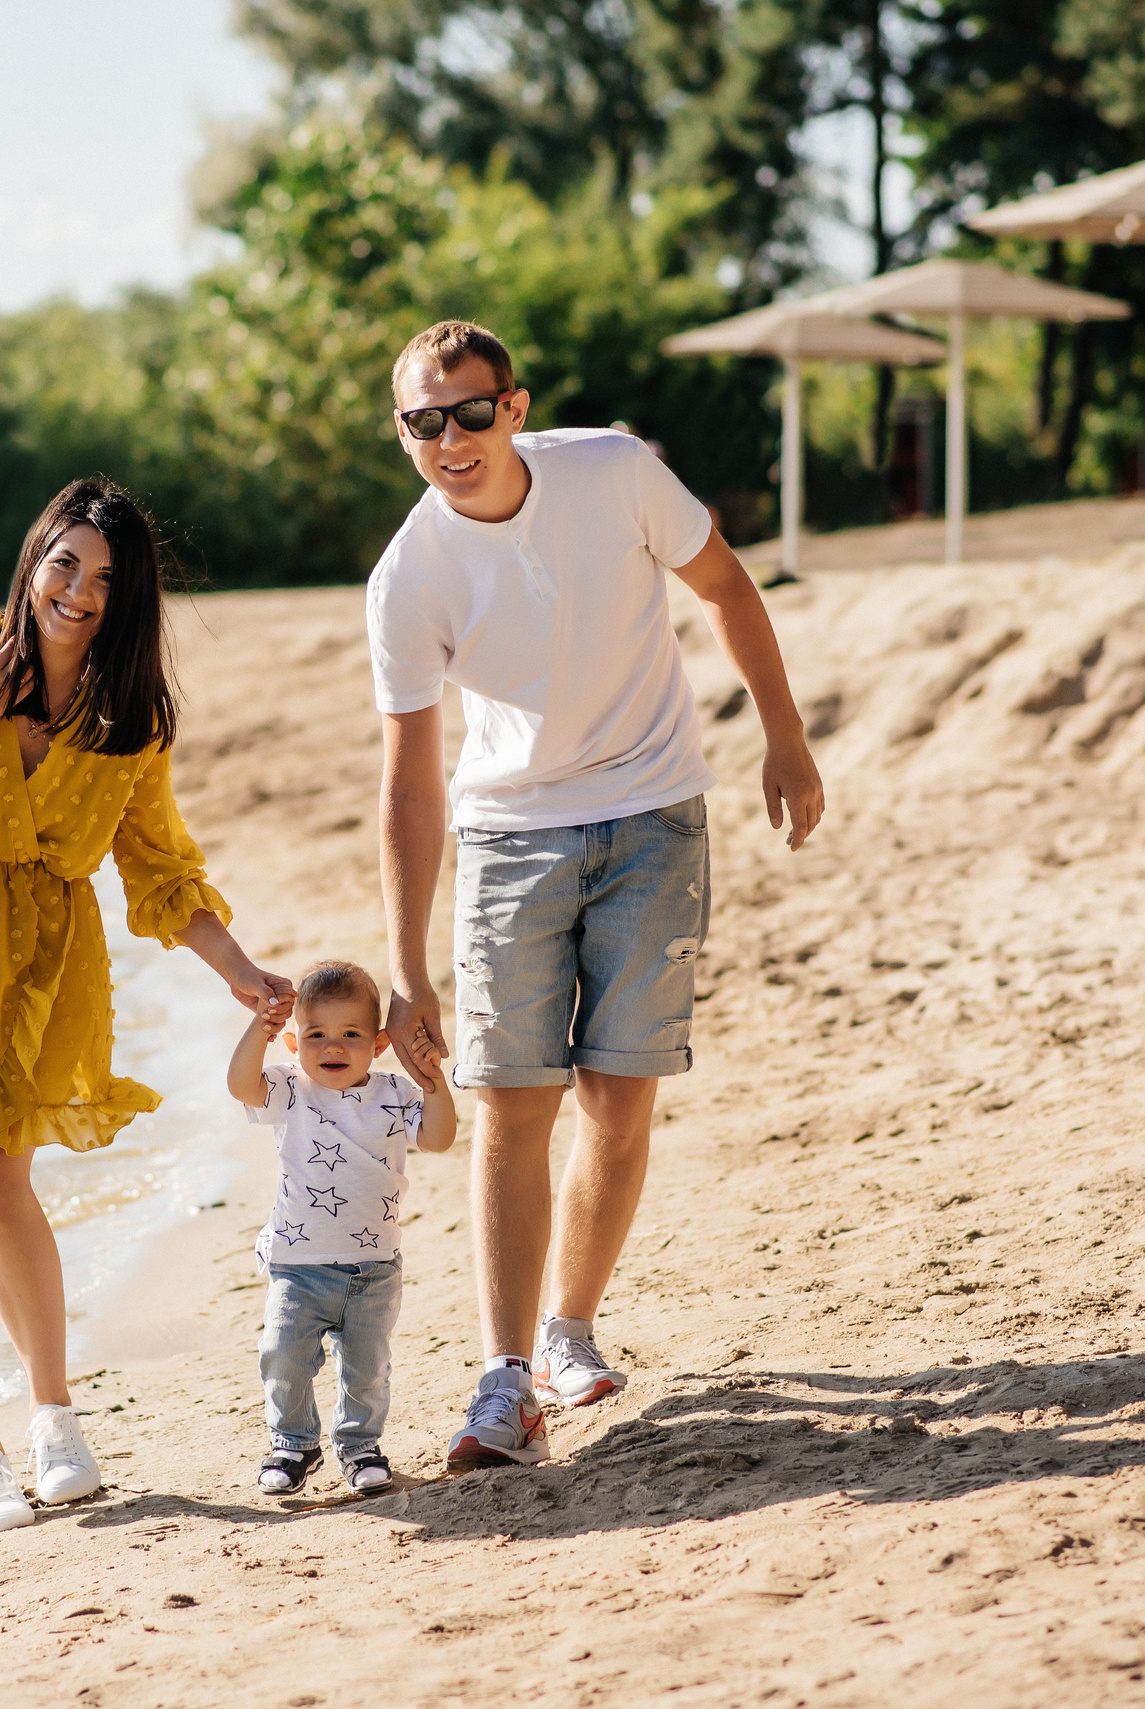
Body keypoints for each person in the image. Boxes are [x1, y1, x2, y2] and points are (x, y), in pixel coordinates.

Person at [366, 321, 826, 1472]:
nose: (451, 438)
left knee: (619, 1098)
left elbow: (725, 584)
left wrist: (784, 737)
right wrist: (406, 966)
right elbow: (409, 783)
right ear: (402, 431)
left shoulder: (613, 471)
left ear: (514, 407)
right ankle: (503, 1376)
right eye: (424, 420)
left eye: (471, 412)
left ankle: (567, 1330)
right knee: (512, 1103)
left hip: (653, 817)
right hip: (508, 839)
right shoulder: (408, 576)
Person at [0, 477, 296, 1532]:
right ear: (34, 560)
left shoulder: (130, 714)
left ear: (127, 596)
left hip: (46, 962)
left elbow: (159, 868)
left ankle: (52, 1417)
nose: (79, 591)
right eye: (65, 564)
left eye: (104, 577)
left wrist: (236, 967)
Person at [227, 959, 456, 1495]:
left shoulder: (395, 1093)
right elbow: (240, 1086)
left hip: (373, 1268)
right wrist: (259, 1029)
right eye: (316, 1035)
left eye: (351, 1034)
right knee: (282, 1355)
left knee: (366, 1368)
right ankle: (293, 1443)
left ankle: (359, 1446)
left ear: (379, 1044)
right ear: (294, 1044)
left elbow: (439, 1138)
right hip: (297, 1265)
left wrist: (433, 1084)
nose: (333, 1046)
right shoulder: (291, 1088)